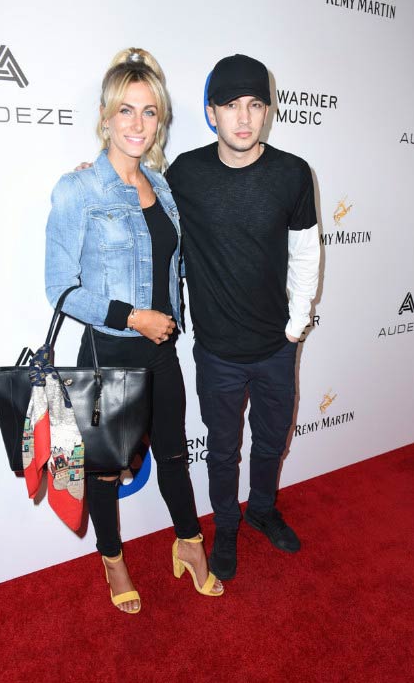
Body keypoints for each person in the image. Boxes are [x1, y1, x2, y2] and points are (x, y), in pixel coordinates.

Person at [45, 47, 223, 613]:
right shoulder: (79, 190)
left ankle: (189, 545)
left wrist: (164, 323)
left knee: (173, 455)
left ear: (161, 119)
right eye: (126, 110)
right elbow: (61, 288)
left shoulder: (163, 188)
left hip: (161, 350)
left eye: (149, 112)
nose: (137, 124)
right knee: (102, 471)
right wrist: (132, 317)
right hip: (108, 352)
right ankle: (113, 559)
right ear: (104, 116)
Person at [166, 54, 320, 580]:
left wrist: (297, 325)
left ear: (268, 110)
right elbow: (137, 199)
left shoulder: (293, 174)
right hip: (217, 352)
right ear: (212, 112)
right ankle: (227, 525)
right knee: (223, 449)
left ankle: (261, 510)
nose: (244, 117)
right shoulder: (184, 173)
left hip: (277, 346)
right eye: (231, 105)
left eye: (255, 104)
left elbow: (304, 253)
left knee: (273, 440)